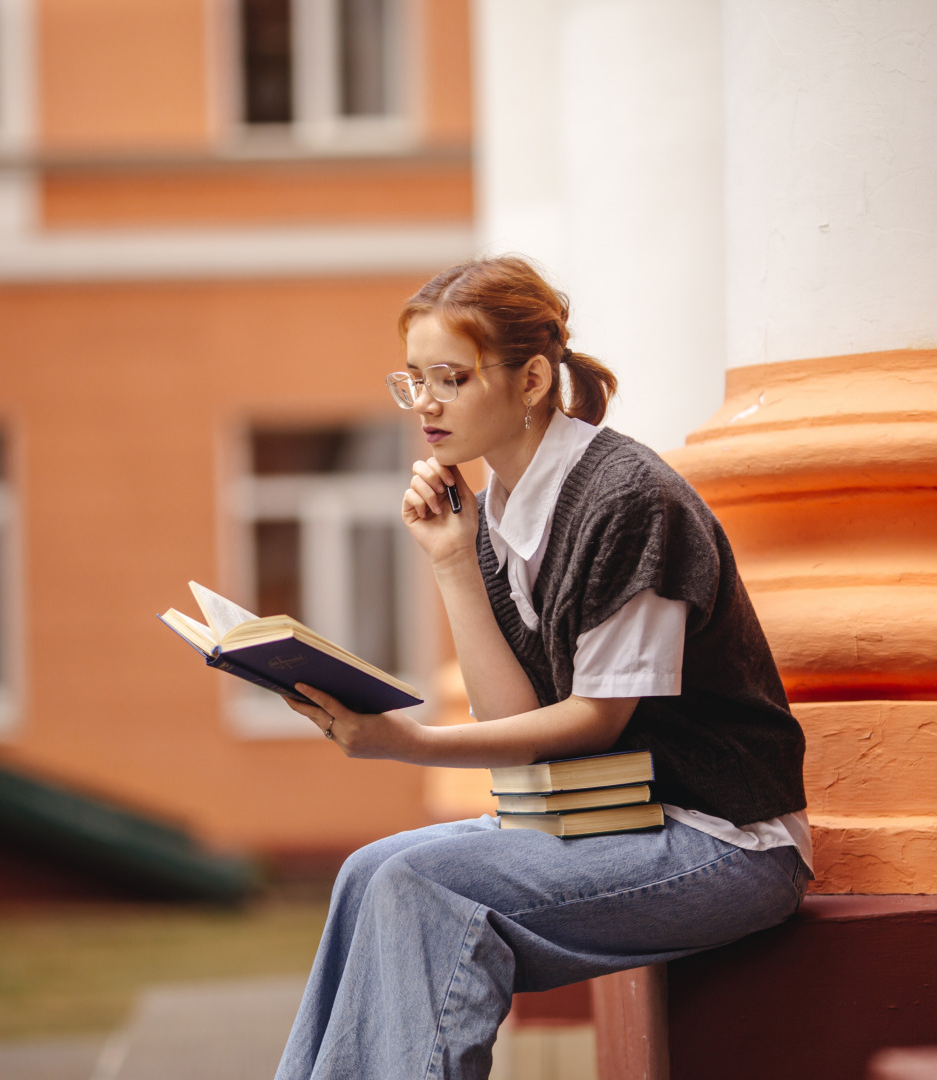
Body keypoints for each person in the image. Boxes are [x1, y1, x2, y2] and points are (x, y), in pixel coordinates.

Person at [274, 256, 810, 1080]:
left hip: (724, 842)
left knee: (424, 886)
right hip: (609, 818)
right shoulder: (496, 509)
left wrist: (407, 741)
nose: (424, 403)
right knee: (365, 873)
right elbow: (515, 734)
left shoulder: (627, 500)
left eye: (448, 377)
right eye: (411, 379)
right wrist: (454, 561)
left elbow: (597, 718)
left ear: (530, 380)